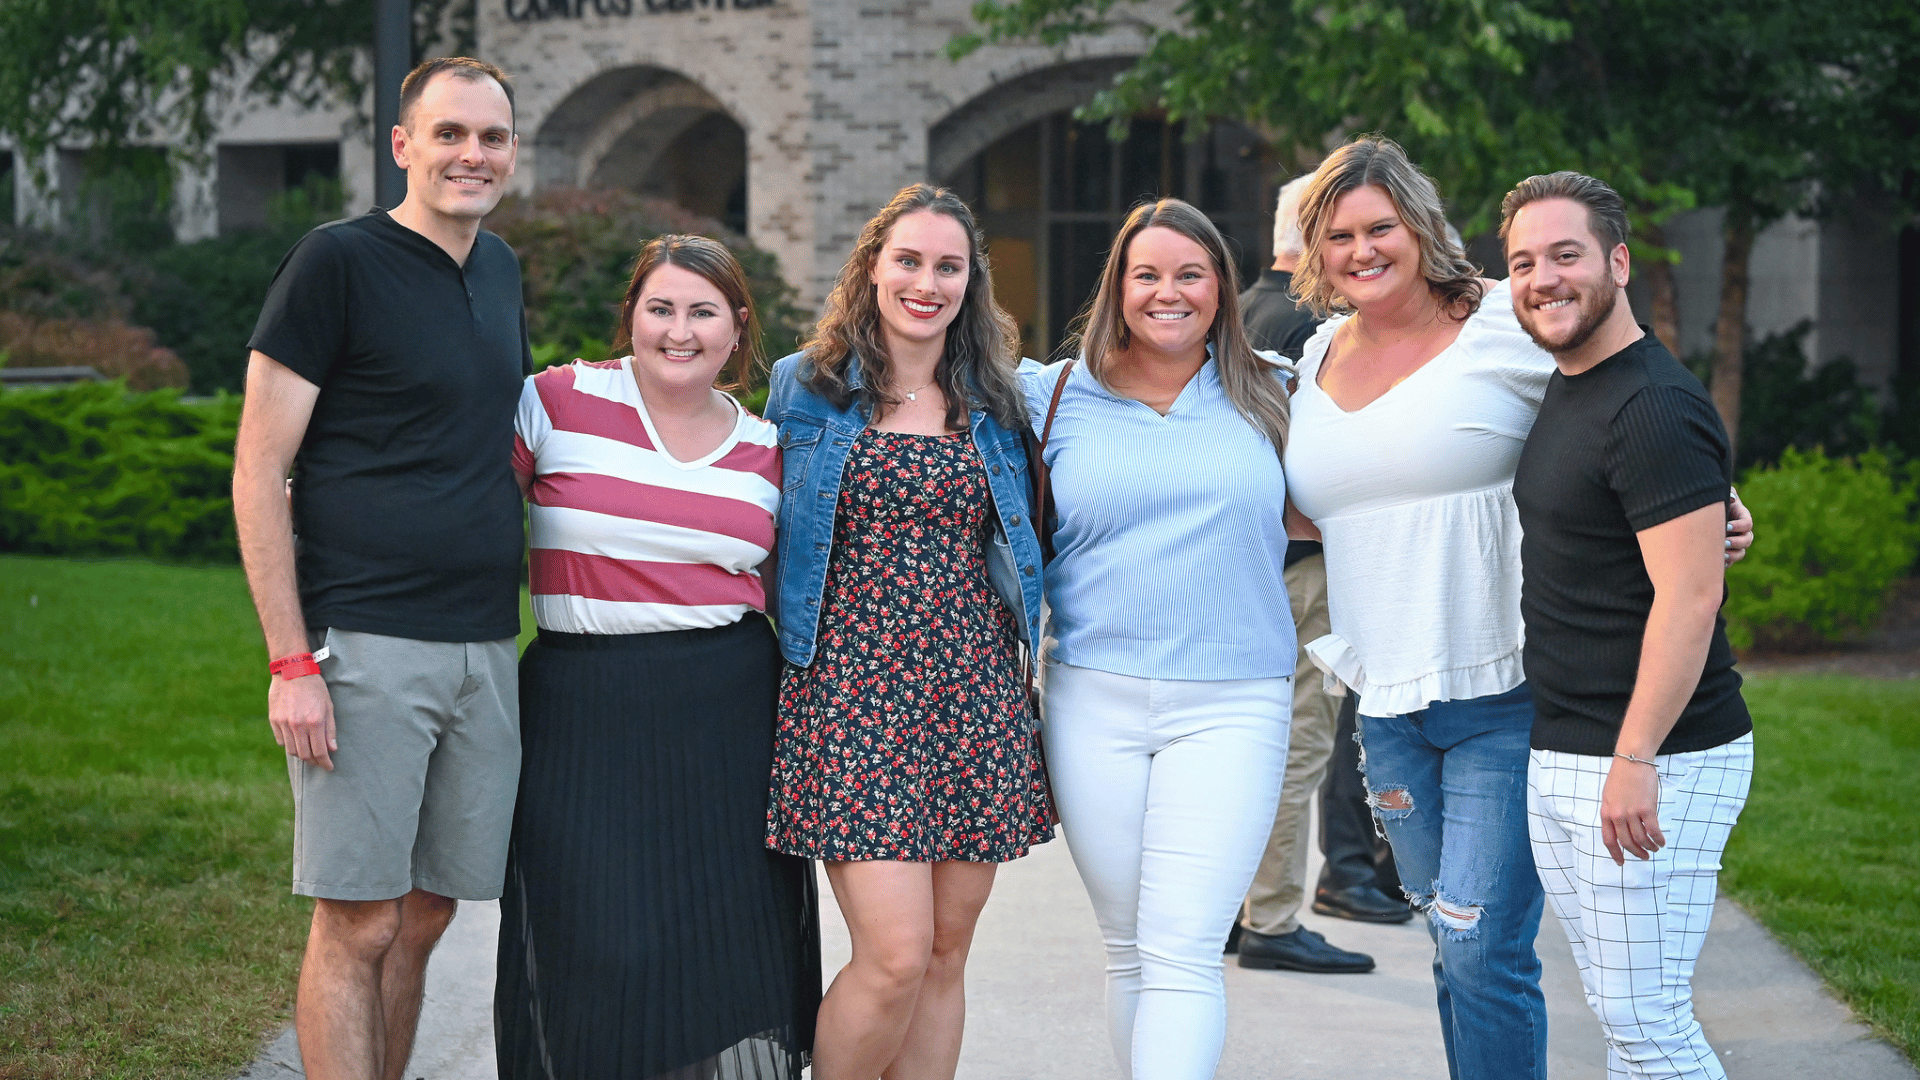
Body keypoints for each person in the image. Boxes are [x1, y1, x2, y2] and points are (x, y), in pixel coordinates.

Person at [1281, 136, 1754, 1080]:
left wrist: (1718, 507)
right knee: (1446, 939)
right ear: (1315, 254)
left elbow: (1630, 400)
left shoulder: (1503, 317)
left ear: (1422, 227)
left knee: (1480, 948)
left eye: (1381, 227)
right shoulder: (1320, 353)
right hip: (1389, 703)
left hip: (1504, 691)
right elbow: (1317, 506)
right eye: (1338, 235)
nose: (1362, 250)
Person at [232, 57, 528, 1080]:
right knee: (358, 919)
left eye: (491, 137)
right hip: (365, 641)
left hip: (484, 641)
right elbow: (258, 468)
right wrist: (291, 663)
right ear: (402, 145)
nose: (472, 155)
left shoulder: (500, 270)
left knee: (428, 910)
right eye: (450, 133)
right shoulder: (336, 263)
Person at [495, 235, 820, 1079]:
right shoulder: (555, 400)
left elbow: (791, 589)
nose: (680, 332)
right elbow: (465, 510)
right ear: (631, 316)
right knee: (593, 942)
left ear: (737, 327)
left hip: (726, 718)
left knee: (711, 951)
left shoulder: (767, 447)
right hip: (581, 708)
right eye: (661, 309)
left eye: (703, 312)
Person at [762, 183, 1052, 1080]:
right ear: (873, 268)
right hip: (851, 695)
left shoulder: (1000, 401)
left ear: (971, 282)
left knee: (943, 956)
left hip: (973, 695)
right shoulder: (805, 387)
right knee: (893, 956)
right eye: (910, 261)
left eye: (948, 266)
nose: (927, 283)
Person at [1029, 198, 1295, 1080]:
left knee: (1182, 947)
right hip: (1090, 698)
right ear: (1117, 286)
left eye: (1190, 274)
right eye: (1146, 274)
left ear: (1221, 287)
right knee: (1129, 945)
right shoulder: (1051, 395)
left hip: (1234, 703)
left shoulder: (1277, 390)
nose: (1167, 292)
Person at [1502, 172, 1754, 1080]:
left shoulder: (1652, 404)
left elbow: (1691, 598)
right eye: (1523, 263)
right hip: (1569, 745)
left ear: (1618, 262)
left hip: (1657, 755)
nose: (1543, 278)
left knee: (1646, 1020)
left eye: (1565, 255)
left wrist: (1636, 756)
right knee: (1624, 1020)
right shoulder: (1575, 381)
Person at [1229, 173, 1403, 979]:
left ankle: (1237, 910)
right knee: (1297, 748)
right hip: (1303, 572)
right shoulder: (1319, 332)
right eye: (1345, 231)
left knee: (1251, 747)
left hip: (1252, 572)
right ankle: (1269, 918)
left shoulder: (1240, 314)